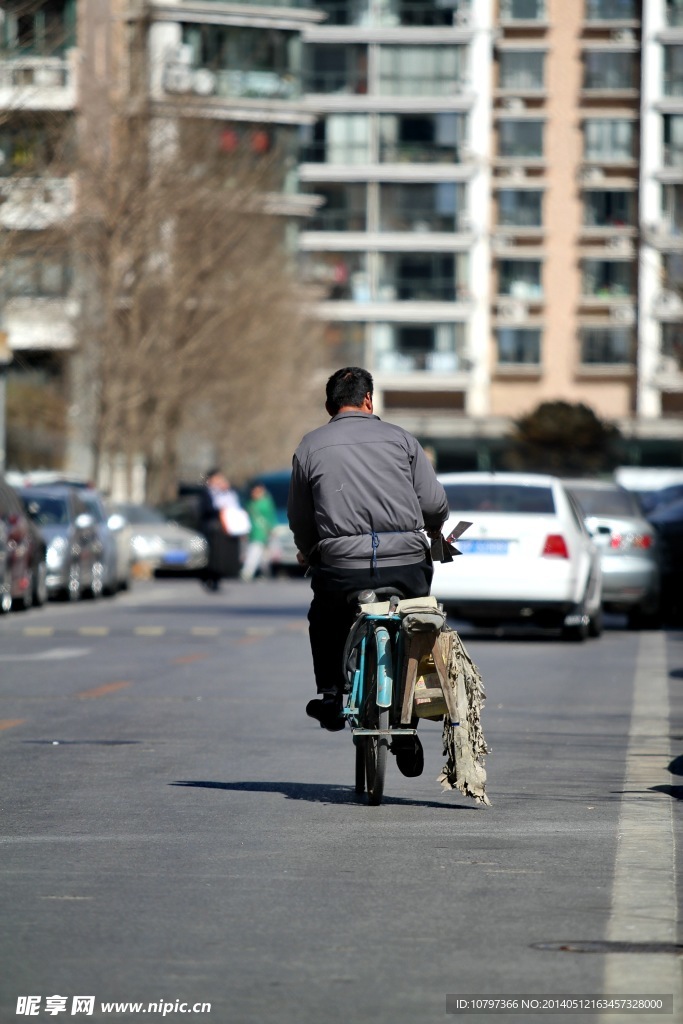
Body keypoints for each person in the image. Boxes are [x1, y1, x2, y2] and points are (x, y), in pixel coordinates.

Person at [287, 366, 449, 777]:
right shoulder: (403, 441)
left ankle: (329, 694)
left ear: (330, 407)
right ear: (369, 400)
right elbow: (434, 504)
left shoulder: (310, 446)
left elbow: (301, 517)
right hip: (406, 564)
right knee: (416, 625)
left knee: (325, 617)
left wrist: (309, 551)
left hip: (342, 569)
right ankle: (408, 722)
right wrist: (433, 531)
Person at [198, 469, 245, 591]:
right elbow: (206, 509)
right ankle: (208, 577)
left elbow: (234, 505)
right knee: (211, 555)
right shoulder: (206, 493)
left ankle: (218, 576)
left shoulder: (228, 492)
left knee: (221, 555)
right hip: (211, 528)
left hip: (225, 528)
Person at [241, 482, 278, 581]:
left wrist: (272, 529)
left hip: (262, 531)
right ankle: (265, 572)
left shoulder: (266, 502)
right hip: (253, 531)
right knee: (260, 554)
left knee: (255, 551)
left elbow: (271, 516)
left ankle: (247, 572)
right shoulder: (249, 503)